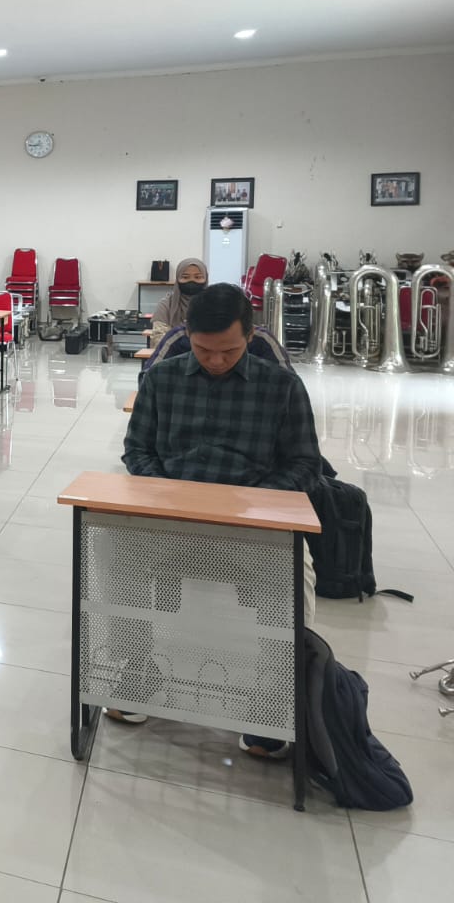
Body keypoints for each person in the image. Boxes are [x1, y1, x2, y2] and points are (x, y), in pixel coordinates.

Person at [117, 282, 321, 759]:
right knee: (114, 558)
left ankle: (272, 695)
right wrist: (171, 494)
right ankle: (139, 669)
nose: (214, 360)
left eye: (228, 350)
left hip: (253, 520)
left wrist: (250, 502)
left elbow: (305, 465)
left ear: (250, 335)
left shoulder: (281, 387)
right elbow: (137, 451)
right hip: (174, 515)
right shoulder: (162, 380)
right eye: (203, 349)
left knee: (296, 579)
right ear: (188, 336)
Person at [149, 257, 208, 340]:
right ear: (177, 279)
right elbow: (158, 338)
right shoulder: (166, 305)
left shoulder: (214, 304)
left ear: (206, 279)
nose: (191, 281)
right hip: (171, 348)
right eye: (185, 277)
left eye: (198, 277)